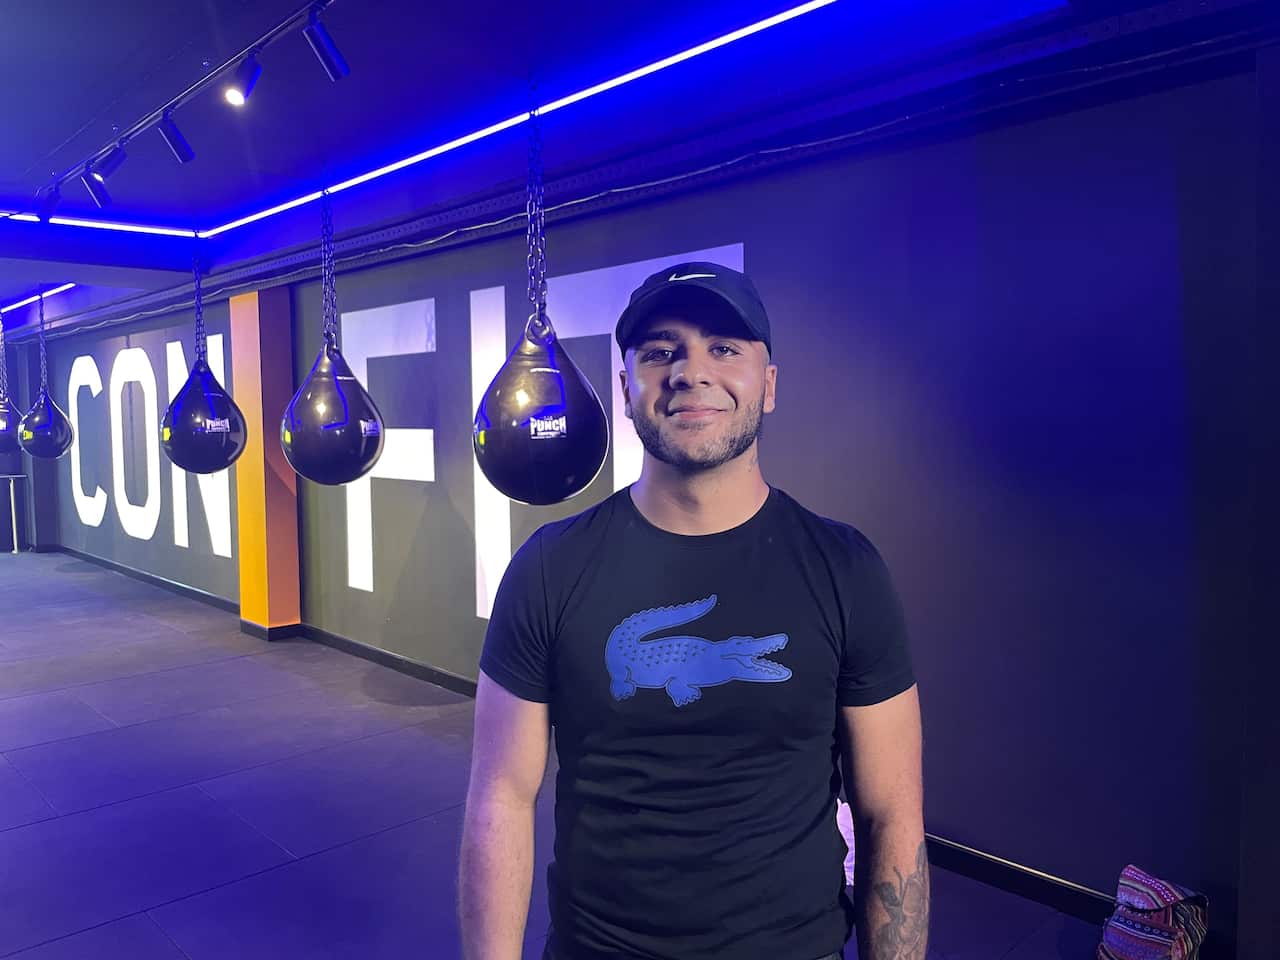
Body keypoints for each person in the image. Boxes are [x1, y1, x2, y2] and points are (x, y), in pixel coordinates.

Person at [459, 262, 929, 960]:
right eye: (660, 351)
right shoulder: (549, 569)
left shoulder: (847, 569)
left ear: (768, 385)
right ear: (626, 389)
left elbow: (892, 813)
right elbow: (499, 798)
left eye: (725, 348)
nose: (689, 371)